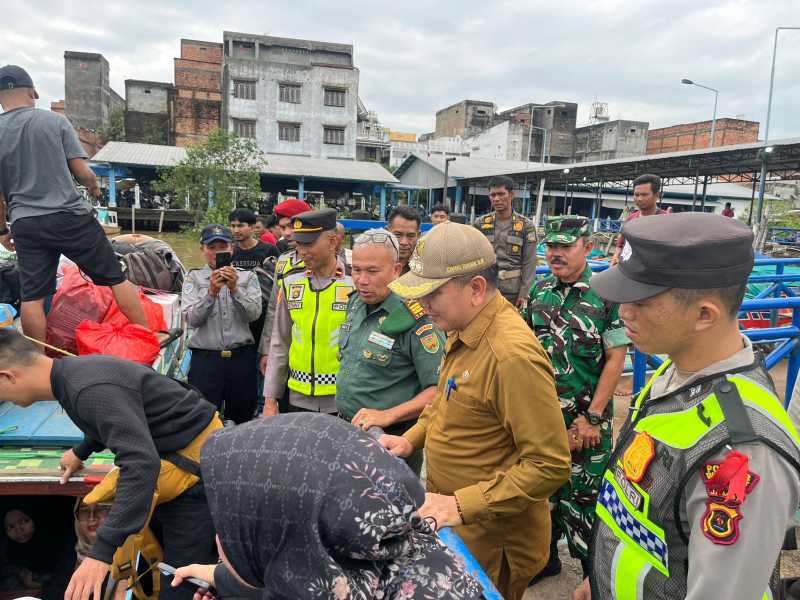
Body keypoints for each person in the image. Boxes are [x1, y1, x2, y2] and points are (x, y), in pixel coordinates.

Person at [572, 212, 800, 600]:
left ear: (704, 315)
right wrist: (600, 576)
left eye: (640, 300)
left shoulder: (743, 450)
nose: (623, 311)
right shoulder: (677, 372)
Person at [379, 222, 571, 600]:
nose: (422, 304)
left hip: (493, 542)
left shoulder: (510, 356)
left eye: (432, 293)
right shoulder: (463, 326)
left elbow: (549, 464)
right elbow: (450, 401)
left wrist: (458, 505)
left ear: (476, 289)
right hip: (462, 527)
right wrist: (409, 440)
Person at [0, 330, 220, 600]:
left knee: (179, 582)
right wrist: (82, 450)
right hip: (170, 456)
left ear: (7, 377)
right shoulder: (72, 375)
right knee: (152, 560)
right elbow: (120, 413)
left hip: (194, 474)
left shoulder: (85, 391)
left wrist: (100, 554)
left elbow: (141, 465)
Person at [172, 414, 483, 599]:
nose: (219, 538)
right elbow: (303, 572)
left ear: (280, 536)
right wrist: (219, 577)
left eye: (229, 526)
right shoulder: (381, 547)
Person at [0, 65, 147, 343]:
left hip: (26, 223)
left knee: (32, 297)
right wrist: (93, 187)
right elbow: (82, 171)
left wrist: (2, 231)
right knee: (115, 278)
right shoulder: (55, 122)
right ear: (32, 92)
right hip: (70, 216)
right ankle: (146, 337)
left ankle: (37, 364)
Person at [527, 216, 629, 583]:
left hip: (586, 422)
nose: (556, 254)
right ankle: (546, 559)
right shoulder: (540, 293)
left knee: (587, 500)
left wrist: (593, 418)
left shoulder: (606, 296)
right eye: (551, 247)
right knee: (544, 495)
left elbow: (615, 360)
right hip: (543, 421)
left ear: (587, 247)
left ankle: (594, 577)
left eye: (565, 247)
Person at [337, 229, 445, 476]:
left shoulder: (415, 318)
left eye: (372, 271)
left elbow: (439, 390)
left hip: (390, 441)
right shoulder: (356, 302)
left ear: (396, 270)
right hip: (348, 430)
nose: (362, 280)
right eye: (357, 269)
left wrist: (387, 415)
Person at [262, 209, 354, 415]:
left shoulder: (355, 285)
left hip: (343, 399)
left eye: (309, 243)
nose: (302, 251)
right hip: (296, 398)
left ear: (332, 242)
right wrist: (270, 400)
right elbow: (279, 343)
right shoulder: (290, 284)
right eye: (299, 244)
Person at [182, 224, 262, 424]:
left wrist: (235, 289)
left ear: (232, 249)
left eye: (223, 247)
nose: (217, 252)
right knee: (203, 419)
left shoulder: (248, 277)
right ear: (202, 249)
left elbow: (254, 315)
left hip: (240, 359)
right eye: (212, 247)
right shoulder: (193, 278)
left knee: (243, 417)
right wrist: (211, 293)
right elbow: (191, 320)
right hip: (206, 361)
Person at [257, 198, 311, 377]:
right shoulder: (283, 262)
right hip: (283, 346)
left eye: (291, 226)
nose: (287, 233)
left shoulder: (326, 260)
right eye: (283, 227)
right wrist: (266, 350)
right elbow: (274, 308)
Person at [473, 176, 538, 309]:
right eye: (493, 195)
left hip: (513, 292)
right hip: (486, 288)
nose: (496, 199)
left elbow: (529, 263)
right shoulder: (480, 224)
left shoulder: (526, 226)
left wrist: (525, 294)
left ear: (512, 195)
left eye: (501, 194)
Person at [610, 173, 668, 265]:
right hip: (629, 270)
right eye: (636, 195)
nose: (640, 199)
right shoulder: (630, 219)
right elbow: (620, 244)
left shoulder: (667, 220)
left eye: (644, 195)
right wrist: (615, 256)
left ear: (657, 195)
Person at [387, 205, 422, 274]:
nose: (404, 242)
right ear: (387, 232)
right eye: (398, 235)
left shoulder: (426, 267)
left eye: (410, 236)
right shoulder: (373, 261)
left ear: (418, 235)